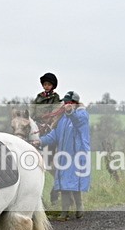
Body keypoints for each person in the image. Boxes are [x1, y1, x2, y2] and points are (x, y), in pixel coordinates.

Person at [37, 91, 91, 220]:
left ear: (75, 103)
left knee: (74, 182)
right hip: (63, 157)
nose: (66, 104)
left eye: (69, 102)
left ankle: (79, 207)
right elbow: (54, 136)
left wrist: (70, 112)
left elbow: (78, 121)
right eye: (65, 102)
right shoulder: (63, 119)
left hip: (77, 155)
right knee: (63, 184)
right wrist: (40, 141)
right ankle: (64, 212)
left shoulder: (82, 115)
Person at [32, 72, 63, 204]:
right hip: (38, 123)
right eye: (45, 84)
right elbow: (33, 110)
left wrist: (49, 121)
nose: (46, 86)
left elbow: (56, 111)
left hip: (50, 123)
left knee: (52, 135)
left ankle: (52, 157)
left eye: (49, 84)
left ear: (53, 86)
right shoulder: (39, 97)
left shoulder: (56, 97)